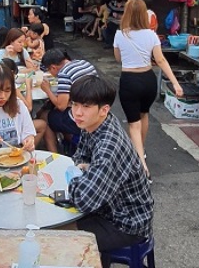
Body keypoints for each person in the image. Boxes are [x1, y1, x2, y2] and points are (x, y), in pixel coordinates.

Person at [66, 76, 153, 267]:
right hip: (109, 206)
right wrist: (85, 170)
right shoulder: (92, 123)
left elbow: (84, 199)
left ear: (104, 110)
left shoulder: (108, 147)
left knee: (59, 234)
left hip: (126, 223)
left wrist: (73, 177)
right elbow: (80, 156)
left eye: (86, 106)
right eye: (74, 104)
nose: (77, 112)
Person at [114, 0, 183, 180]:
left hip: (129, 81)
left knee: (133, 125)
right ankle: (140, 150)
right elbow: (160, 60)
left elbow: (118, 59)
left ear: (127, 13)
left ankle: (142, 168)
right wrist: (175, 83)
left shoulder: (120, 34)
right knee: (144, 114)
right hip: (148, 80)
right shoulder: (151, 35)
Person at [39, 48, 98, 153]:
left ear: (53, 67)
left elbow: (61, 106)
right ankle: (68, 142)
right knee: (55, 111)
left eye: (49, 70)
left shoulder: (64, 73)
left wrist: (47, 90)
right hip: (96, 109)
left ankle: (55, 155)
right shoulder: (84, 63)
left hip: (81, 116)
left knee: (45, 116)